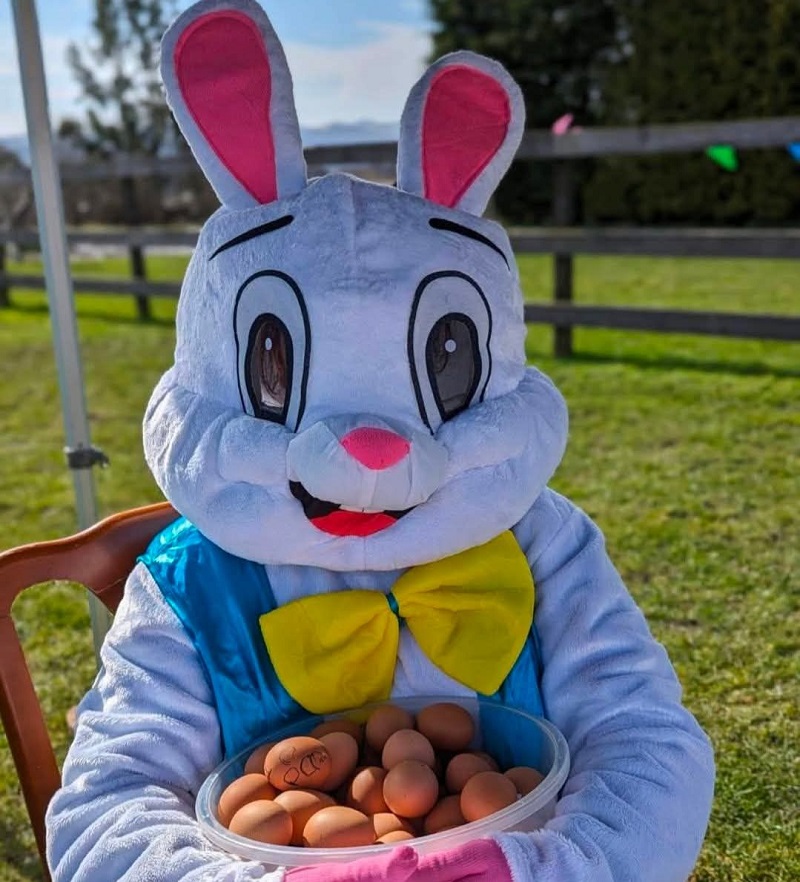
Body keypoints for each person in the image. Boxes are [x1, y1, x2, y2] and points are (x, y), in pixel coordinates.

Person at [46, 2, 715, 880]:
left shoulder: (546, 544)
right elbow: (106, 804)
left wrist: (542, 866)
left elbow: (645, 738)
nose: (370, 456)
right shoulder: (188, 586)